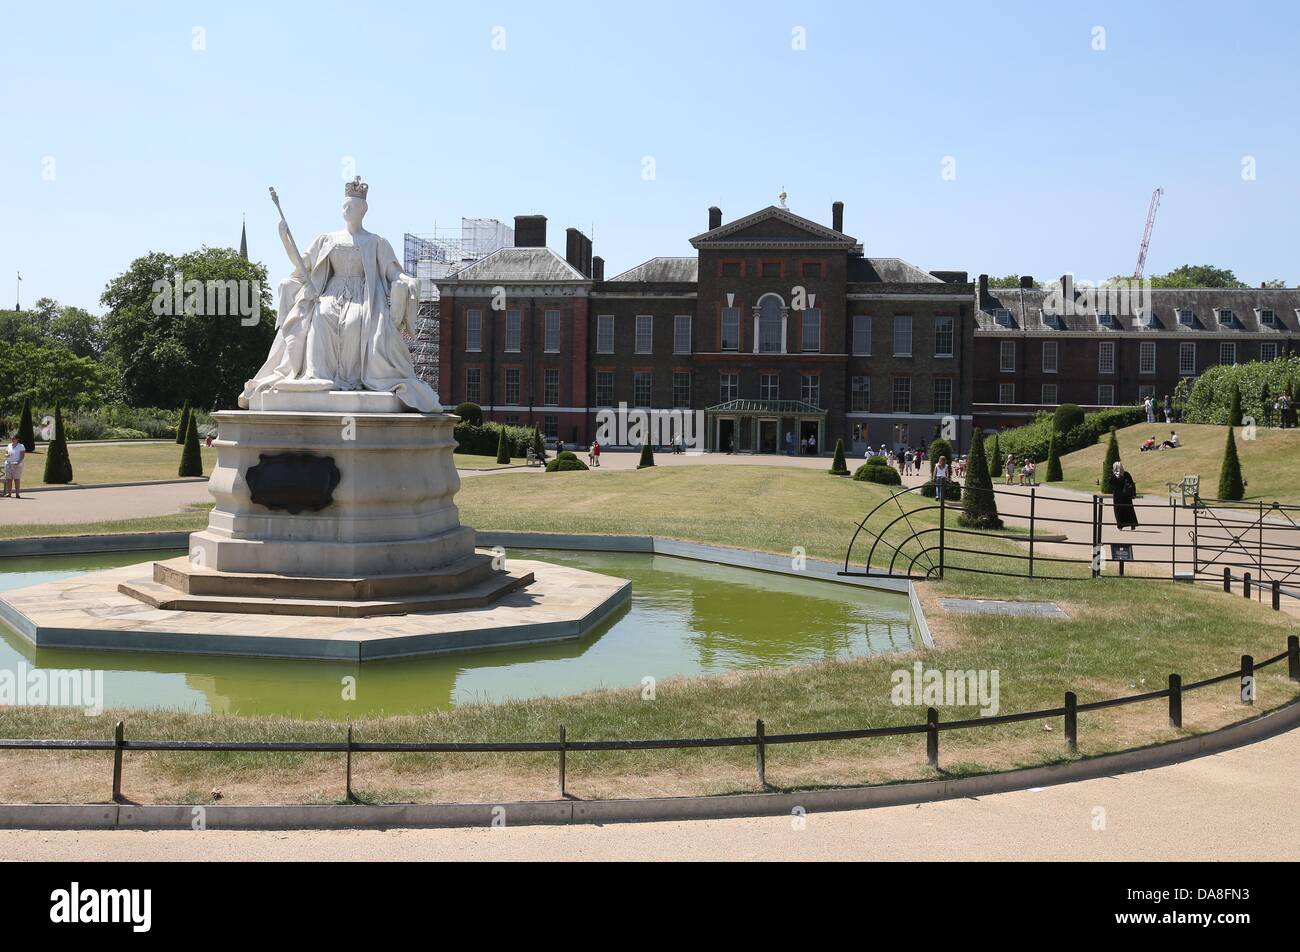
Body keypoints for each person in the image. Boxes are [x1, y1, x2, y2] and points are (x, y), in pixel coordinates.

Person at [1112, 461, 1139, 530]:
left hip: (1118, 496)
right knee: (1129, 509)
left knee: (1118, 511)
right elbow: (1131, 483)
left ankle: (1120, 526)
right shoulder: (1126, 474)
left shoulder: (1114, 475)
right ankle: (1132, 524)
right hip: (1127, 495)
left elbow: (1110, 484)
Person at [2, 434, 25, 499]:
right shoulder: (9, 445)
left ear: (17, 439)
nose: (12, 439)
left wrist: (18, 462)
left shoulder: (21, 446)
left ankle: (17, 494)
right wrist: (7, 455)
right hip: (8, 464)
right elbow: (6, 453)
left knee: (16, 479)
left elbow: (22, 456)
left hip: (17, 465)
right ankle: (9, 494)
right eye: (11, 438)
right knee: (9, 479)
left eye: (13, 438)